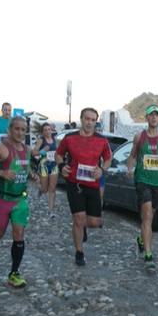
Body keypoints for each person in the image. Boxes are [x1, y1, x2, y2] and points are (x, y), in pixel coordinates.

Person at [0, 115, 34, 288]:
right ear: (10, 130)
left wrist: (33, 175)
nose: (20, 132)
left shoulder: (27, 149)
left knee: (18, 234)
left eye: (23, 130)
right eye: (16, 129)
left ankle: (14, 273)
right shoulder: (0, 148)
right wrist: (2, 173)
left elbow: (26, 167)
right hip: (2, 198)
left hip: (20, 199)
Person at [55, 107, 112, 267]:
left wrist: (102, 169)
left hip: (92, 184)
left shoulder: (101, 140)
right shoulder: (69, 138)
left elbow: (108, 158)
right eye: (87, 119)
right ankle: (79, 252)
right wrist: (61, 166)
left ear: (96, 122)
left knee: (94, 222)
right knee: (78, 219)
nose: (89, 122)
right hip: (75, 184)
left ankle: (83, 228)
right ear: (81, 119)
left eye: (93, 120)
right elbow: (59, 154)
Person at [125, 105, 158, 266]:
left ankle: (141, 239)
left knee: (150, 216)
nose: (154, 117)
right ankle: (148, 255)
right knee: (147, 216)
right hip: (143, 180)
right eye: (151, 115)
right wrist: (130, 168)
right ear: (146, 118)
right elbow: (132, 156)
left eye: (156, 115)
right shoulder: (139, 136)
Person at [34, 122, 60, 211]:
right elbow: (34, 153)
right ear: (42, 132)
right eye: (45, 130)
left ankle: (50, 210)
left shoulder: (54, 139)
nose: (47, 131)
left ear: (51, 130)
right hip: (44, 165)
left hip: (54, 165)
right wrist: (42, 151)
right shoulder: (41, 140)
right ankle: (41, 190)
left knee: (52, 188)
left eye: (49, 129)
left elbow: (58, 152)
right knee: (45, 189)